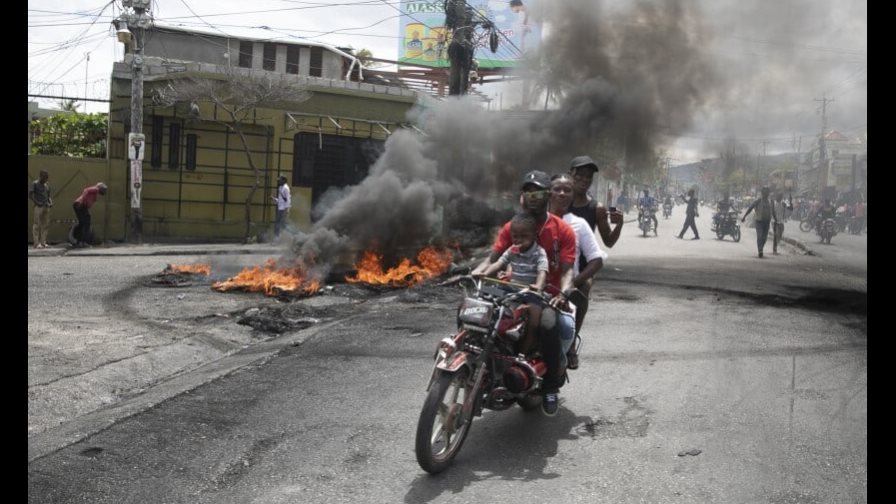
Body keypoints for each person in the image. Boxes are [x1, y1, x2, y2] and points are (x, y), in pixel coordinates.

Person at [472, 170, 577, 417]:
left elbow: (567, 271)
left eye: (538, 191)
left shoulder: (563, 230)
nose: (533, 197)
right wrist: (474, 273)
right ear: (522, 197)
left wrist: (562, 293)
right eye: (528, 191)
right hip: (512, 290)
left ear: (548, 195)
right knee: (477, 312)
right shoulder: (513, 227)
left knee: (549, 324)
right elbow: (493, 258)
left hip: (544, 295)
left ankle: (551, 387)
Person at [548, 173, 608, 370]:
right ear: (548, 192)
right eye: (557, 189)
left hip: (563, 286)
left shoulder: (578, 224)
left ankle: (570, 344)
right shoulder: (535, 220)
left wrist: (573, 283)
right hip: (534, 285)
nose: (562, 194)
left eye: (567, 191)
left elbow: (597, 260)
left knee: (584, 287)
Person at [477, 212, 549, 344]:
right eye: (515, 236)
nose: (519, 240)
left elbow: (542, 272)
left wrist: (538, 286)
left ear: (534, 235)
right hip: (511, 290)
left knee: (534, 317)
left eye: (524, 236)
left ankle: (527, 347)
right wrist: (485, 273)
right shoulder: (512, 250)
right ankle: (483, 335)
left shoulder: (539, 253)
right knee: (485, 293)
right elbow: (499, 263)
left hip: (530, 293)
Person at [741, 187, 776, 258]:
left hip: (767, 222)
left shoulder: (771, 202)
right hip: (759, 222)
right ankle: (760, 250)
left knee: (764, 238)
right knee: (760, 236)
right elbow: (750, 208)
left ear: (768, 193)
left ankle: (761, 248)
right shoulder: (758, 201)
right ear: (762, 193)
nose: (766, 194)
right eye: (764, 192)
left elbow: (773, 211)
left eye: (767, 192)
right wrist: (744, 216)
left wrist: (776, 219)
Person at [72, 182, 107, 248]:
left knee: (82, 223)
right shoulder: (96, 189)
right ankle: (83, 242)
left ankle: (79, 242)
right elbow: (86, 190)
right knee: (86, 223)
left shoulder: (95, 193)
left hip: (78, 204)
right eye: (104, 190)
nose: (104, 192)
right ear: (100, 188)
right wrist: (82, 201)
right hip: (81, 205)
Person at [30, 170, 52, 249]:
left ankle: (43, 242)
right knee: (37, 225)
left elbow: (49, 195)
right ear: (40, 176)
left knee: (45, 225)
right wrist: (37, 202)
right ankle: (36, 243)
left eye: (47, 177)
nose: (46, 179)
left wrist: (50, 202)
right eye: (44, 177)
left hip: (46, 206)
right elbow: (31, 194)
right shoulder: (35, 183)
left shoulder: (46, 185)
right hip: (38, 206)